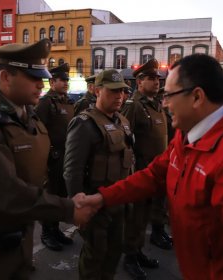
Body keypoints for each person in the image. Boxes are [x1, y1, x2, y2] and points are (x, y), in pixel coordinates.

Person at [81, 54, 223, 280]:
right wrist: (102, 198)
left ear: (196, 97)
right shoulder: (188, 135)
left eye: (169, 95)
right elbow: (154, 174)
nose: (164, 103)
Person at [0, 39, 94, 279]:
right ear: (5, 77)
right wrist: (68, 209)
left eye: (42, 77)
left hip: (19, 245)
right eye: (33, 77)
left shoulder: (29, 118)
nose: (41, 84)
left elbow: (37, 174)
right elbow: (5, 191)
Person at [63, 69, 133, 280]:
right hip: (95, 206)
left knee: (114, 253)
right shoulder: (85, 123)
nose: (119, 96)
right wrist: (78, 205)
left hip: (119, 202)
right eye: (113, 91)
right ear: (97, 91)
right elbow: (72, 170)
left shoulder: (123, 121)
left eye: (122, 91)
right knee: (95, 256)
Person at [120, 59, 171, 280]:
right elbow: (123, 136)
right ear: (139, 82)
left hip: (156, 172)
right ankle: (130, 258)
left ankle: (138, 251)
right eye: (151, 78)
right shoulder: (134, 106)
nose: (157, 82)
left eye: (158, 78)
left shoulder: (156, 104)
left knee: (148, 214)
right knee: (136, 217)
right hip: (141, 171)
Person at [35, 62, 75, 251]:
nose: (66, 83)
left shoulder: (67, 101)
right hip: (52, 157)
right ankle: (46, 232)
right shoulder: (46, 103)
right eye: (62, 80)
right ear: (52, 82)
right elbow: (38, 131)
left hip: (67, 157)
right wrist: (46, 155)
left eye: (67, 80)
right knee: (49, 196)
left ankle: (55, 229)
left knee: (60, 195)